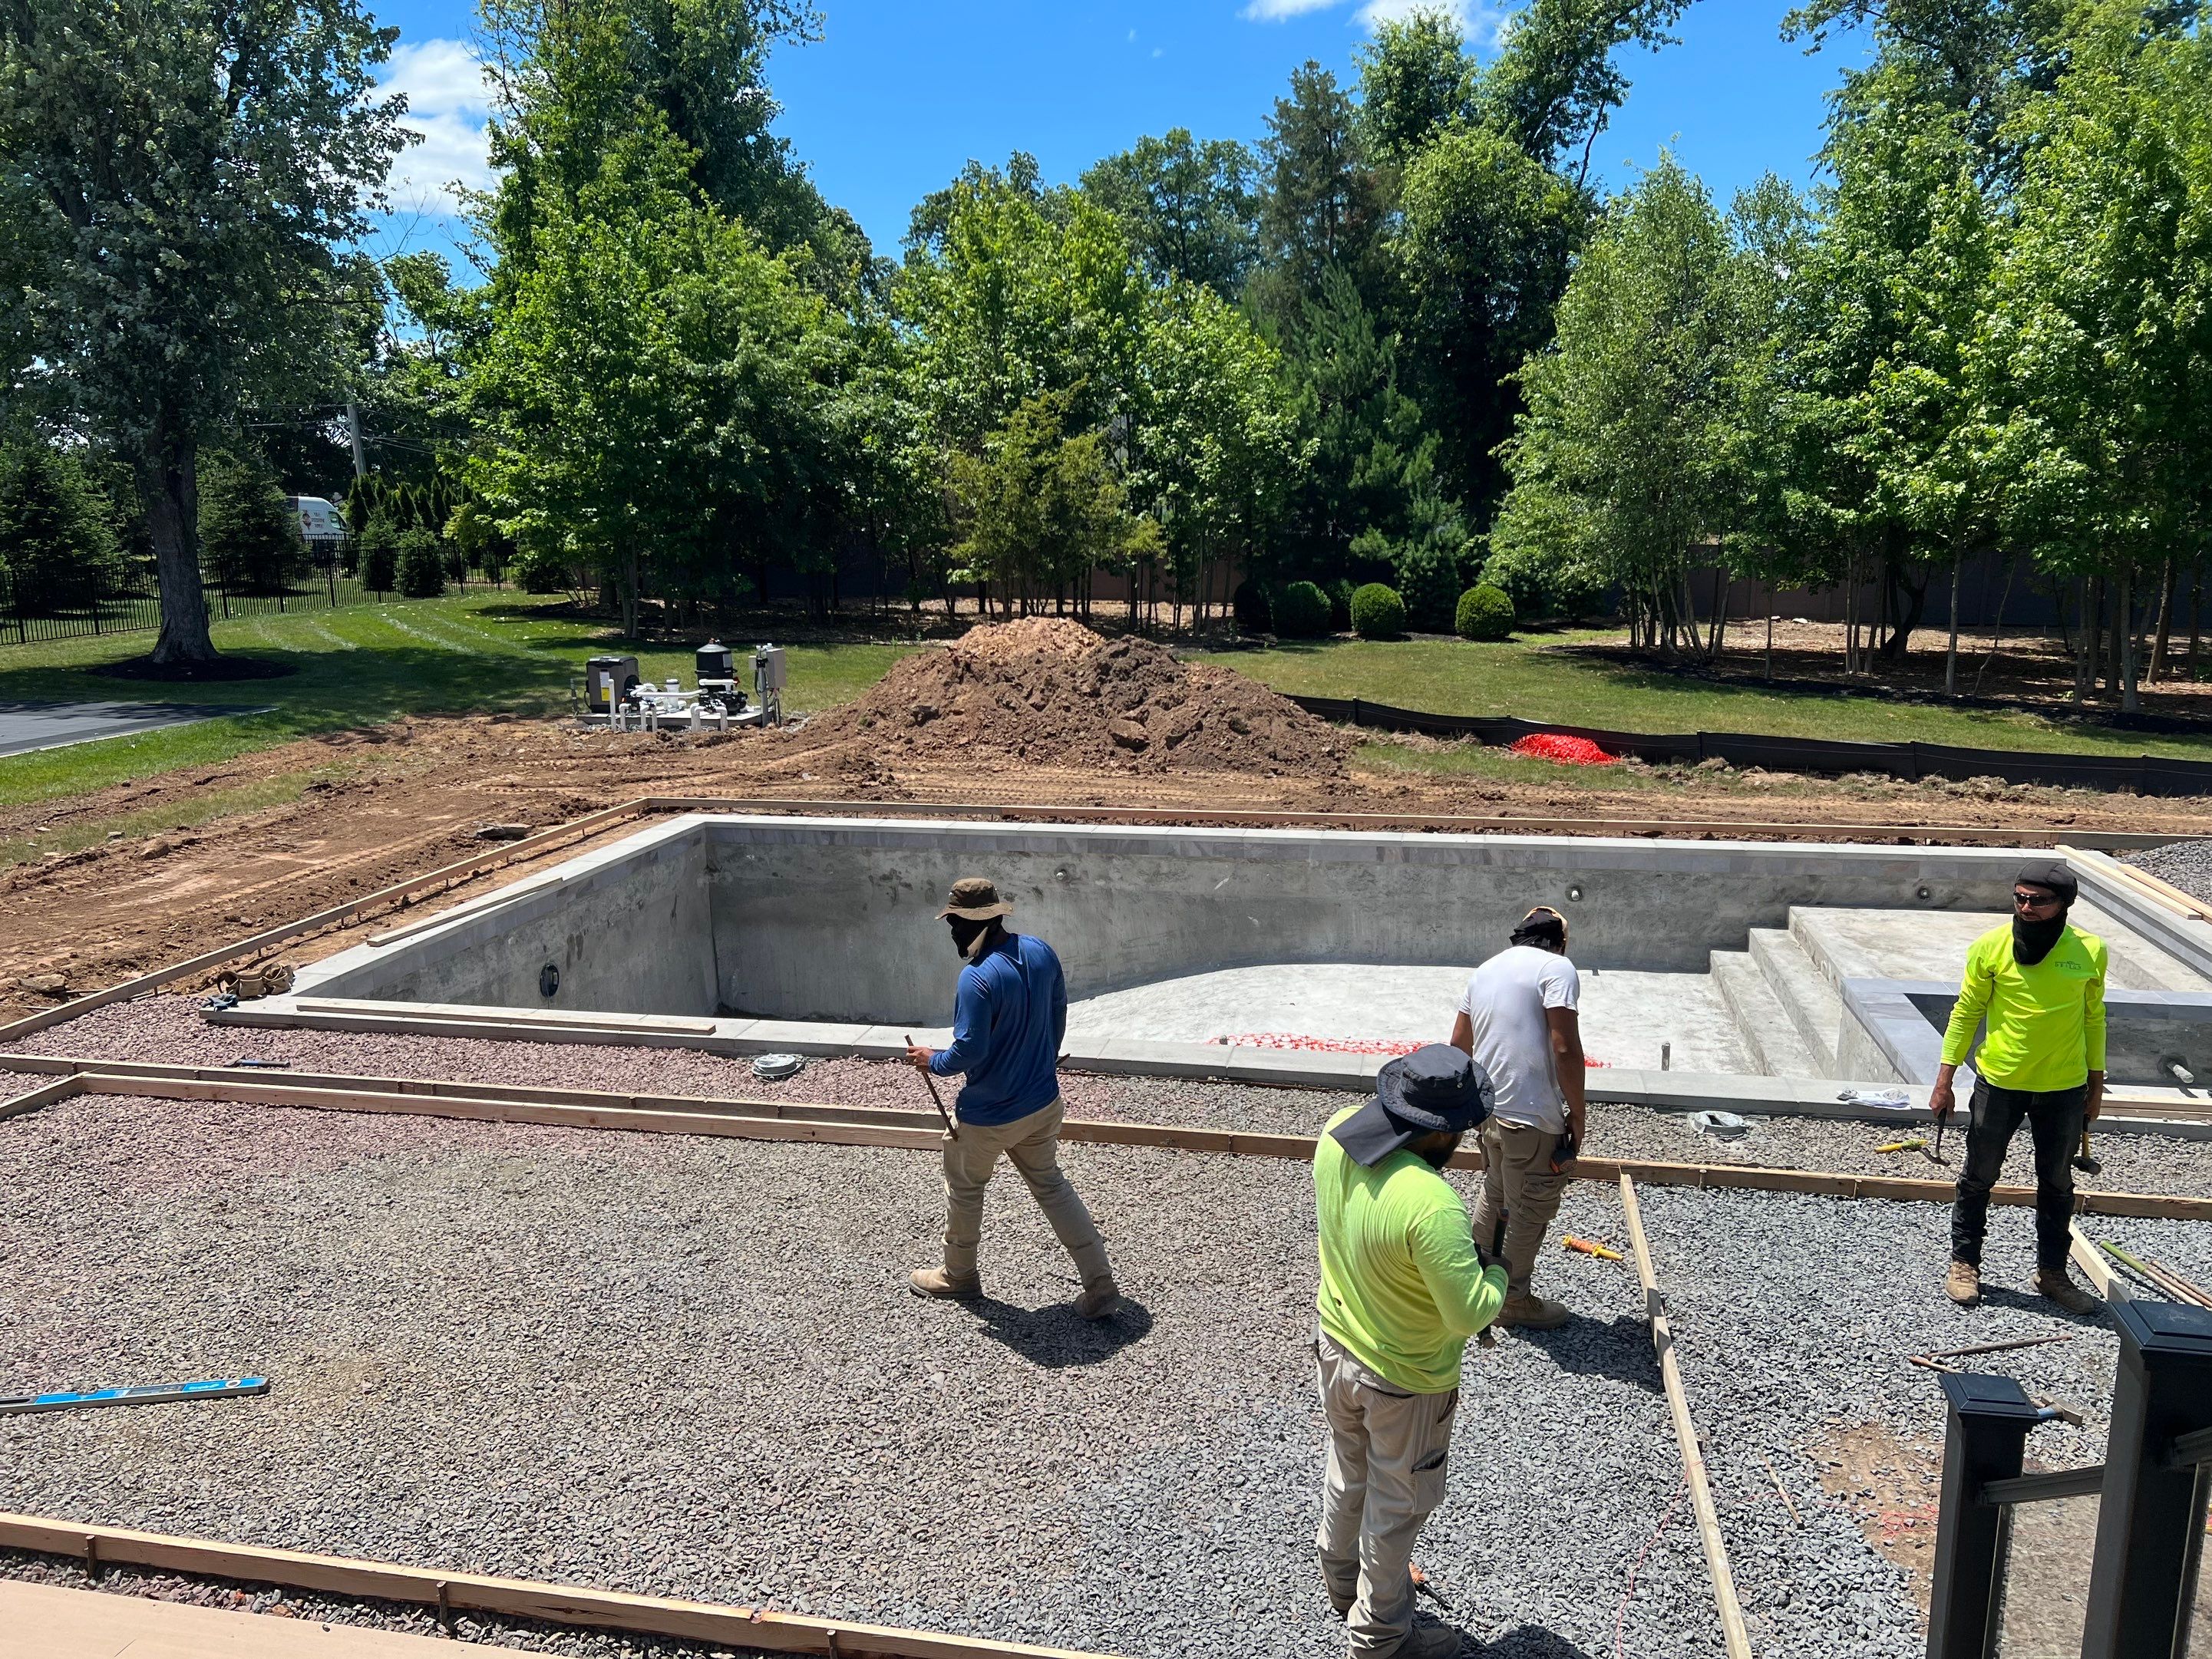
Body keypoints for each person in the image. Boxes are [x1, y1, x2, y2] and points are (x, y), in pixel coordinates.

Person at [1314, 1044, 1507, 1659]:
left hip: (1336, 1343)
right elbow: (1469, 1311)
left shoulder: (1335, 1132)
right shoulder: (1431, 1204)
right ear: (1446, 1133)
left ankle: (1343, 1582)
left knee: (1350, 1469)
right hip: (1405, 1378)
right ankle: (1381, 1637)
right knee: (1398, 1507)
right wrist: (1498, 1273)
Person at [903, 876, 1119, 1319]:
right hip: (1043, 1102)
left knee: (965, 1190)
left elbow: (970, 1051)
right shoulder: (1040, 951)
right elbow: (1058, 1013)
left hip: (990, 1115)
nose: (952, 933)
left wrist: (932, 1060)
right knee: (1052, 1185)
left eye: (955, 923)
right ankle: (1100, 1283)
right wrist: (1041, 1061)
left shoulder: (976, 978)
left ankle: (958, 1276)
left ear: (974, 921)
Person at [1932, 860, 2107, 1313]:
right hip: (2000, 1083)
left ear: (2064, 904)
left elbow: (2093, 1017)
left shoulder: (2089, 950)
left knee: (2057, 1182)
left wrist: (2096, 1081)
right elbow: (1966, 1012)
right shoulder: (1992, 946)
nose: (2026, 907)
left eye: (2039, 900)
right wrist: (1945, 1077)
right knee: (1978, 1176)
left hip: (2063, 1087)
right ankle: (1964, 1263)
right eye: (2020, 898)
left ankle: (2052, 1273)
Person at [1449, 905, 1586, 1330]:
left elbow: (1457, 1046)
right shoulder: (1557, 968)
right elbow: (1565, 1049)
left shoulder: (1485, 970)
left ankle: (1472, 1286)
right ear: (1560, 941)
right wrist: (1578, 1115)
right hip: (1531, 1117)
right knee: (1530, 1207)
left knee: (1495, 1193)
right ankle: (1512, 1300)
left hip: (1489, 1113)